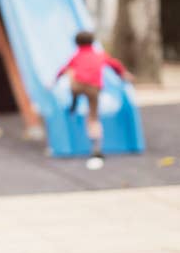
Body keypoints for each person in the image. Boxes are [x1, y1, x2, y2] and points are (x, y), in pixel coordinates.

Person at [53, 31, 133, 167]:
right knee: (93, 118)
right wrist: (123, 74)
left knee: (72, 74)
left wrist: (55, 80)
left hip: (77, 86)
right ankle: (96, 148)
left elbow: (63, 69)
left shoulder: (76, 56)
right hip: (94, 89)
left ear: (77, 43)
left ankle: (74, 98)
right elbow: (115, 65)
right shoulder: (99, 55)